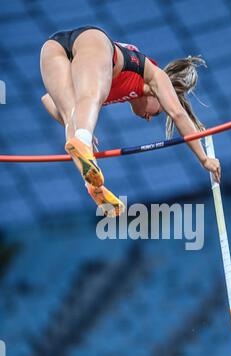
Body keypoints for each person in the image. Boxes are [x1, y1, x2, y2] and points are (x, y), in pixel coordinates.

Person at [40, 26, 221, 217]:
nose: (150, 118)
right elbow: (178, 114)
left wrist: (80, 127)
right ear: (159, 97)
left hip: (51, 49)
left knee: (71, 115)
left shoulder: (115, 88)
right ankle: (83, 141)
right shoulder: (154, 76)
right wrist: (204, 159)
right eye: (157, 112)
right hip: (91, 40)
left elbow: (48, 100)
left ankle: (93, 184)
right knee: (91, 97)